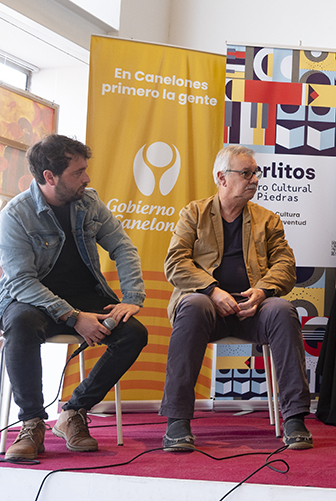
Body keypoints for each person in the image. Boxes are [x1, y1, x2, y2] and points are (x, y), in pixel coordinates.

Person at [0, 135, 149, 461]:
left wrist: (132, 297)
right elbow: (22, 282)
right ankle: (32, 422)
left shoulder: (89, 202)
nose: (87, 178)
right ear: (49, 177)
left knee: (134, 333)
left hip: (85, 295)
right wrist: (74, 317)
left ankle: (73, 412)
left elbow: (122, 247)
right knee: (20, 324)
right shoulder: (15, 215)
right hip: (32, 300)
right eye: (78, 172)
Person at [159, 145, 312, 451]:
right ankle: (177, 421)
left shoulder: (268, 219)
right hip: (207, 308)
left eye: (256, 173)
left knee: (282, 310)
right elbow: (175, 263)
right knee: (192, 305)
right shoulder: (194, 213)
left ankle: (295, 418)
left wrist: (263, 291)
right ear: (222, 178)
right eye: (246, 173)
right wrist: (212, 290)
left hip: (253, 309)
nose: (254, 179)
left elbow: (285, 265)